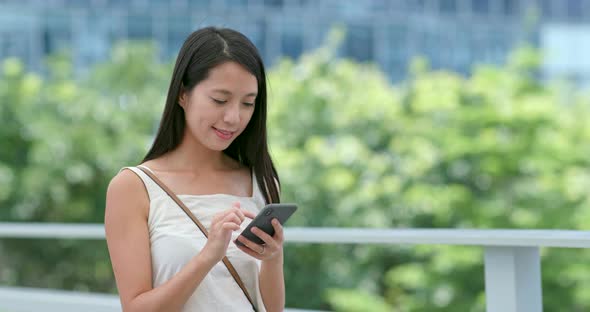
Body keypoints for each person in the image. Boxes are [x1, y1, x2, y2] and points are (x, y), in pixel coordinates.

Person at [104, 27, 284, 312]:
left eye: (248, 103)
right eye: (220, 100)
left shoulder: (260, 181)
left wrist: (274, 259)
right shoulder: (133, 187)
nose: (233, 117)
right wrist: (207, 256)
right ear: (182, 95)